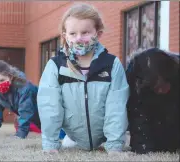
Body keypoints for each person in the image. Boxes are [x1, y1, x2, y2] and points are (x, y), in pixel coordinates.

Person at [37, 3, 129, 154]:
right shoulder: (56, 66)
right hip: (73, 138)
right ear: (65, 36)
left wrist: (114, 146)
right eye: (72, 34)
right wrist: (50, 144)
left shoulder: (112, 64)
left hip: (105, 138)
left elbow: (116, 107)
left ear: (97, 34)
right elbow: (50, 107)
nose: (79, 38)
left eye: (85, 32)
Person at [126, 48, 179, 154]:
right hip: (154, 121)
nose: (159, 91)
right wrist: (143, 148)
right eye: (155, 88)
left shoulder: (174, 69)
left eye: (162, 85)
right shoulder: (135, 78)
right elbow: (138, 116)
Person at [0, 60, 40, 139]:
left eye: (2, 80)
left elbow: (25, 111)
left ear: (10, 77)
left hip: (45, 114)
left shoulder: (24, 88)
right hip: (31, 119)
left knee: (59, 135)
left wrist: (20, 135)